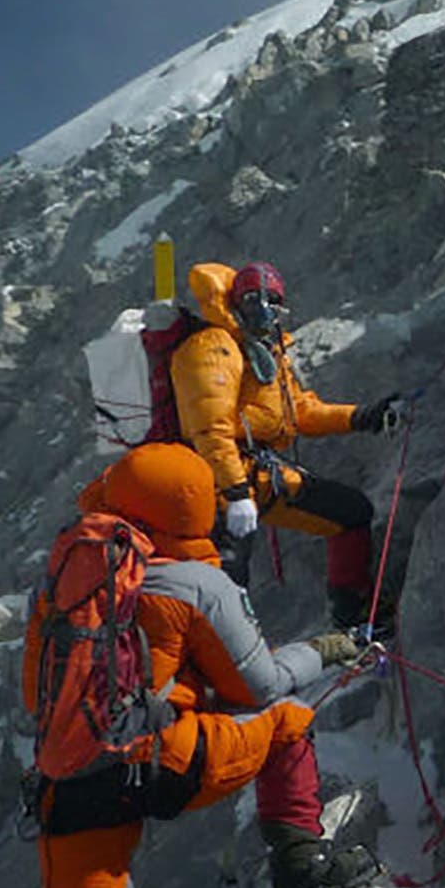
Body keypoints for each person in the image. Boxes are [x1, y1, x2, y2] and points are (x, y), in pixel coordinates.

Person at [25, 442, 377, 888]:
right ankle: (302, 870)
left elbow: (36, 694)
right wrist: (324, 649)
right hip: (158, 759)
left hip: (65, 773)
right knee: (285, 719)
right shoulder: (197, 584)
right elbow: (259, 686)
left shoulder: (63, 579)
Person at [169, 260, 402, 638]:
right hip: (212, 483)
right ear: (233, 301)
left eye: (271, 301)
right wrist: (235, 492)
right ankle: (221, 666)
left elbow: (301, 411)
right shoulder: (214, 345)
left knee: (350, 512)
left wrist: (364, 416)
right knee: (227, 576)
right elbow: (209, 429)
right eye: (252, 299)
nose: (262, 308)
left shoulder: (265, 352)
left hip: (255, 476)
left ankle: (353, 615)